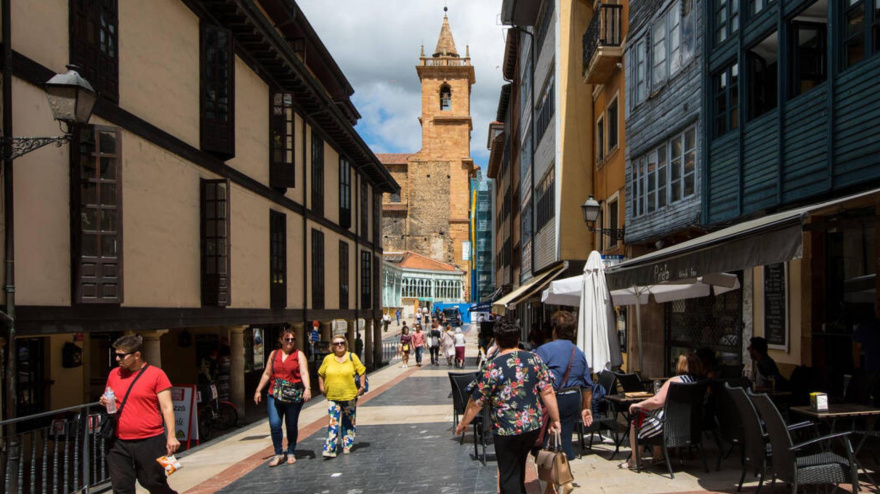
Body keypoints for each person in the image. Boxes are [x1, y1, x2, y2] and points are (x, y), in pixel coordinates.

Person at [456, 320, 561, 494]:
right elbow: (548, 391)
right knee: (518, 465)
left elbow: (476, 401)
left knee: (508, 473)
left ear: (497, 341)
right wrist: (555, 419)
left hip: (506, 429)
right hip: (532, 426)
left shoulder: (493, 366)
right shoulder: (534, 359)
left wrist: (464, 423)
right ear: (518, 338)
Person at [99, 335, 179, 494]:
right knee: (121, 487)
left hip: (149, 440)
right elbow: (110, 397)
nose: (117, 358)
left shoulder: (156, 375)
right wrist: (104, 401)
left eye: (121, 355)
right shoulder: (114, 374)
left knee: (153, 482)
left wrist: (171, 436)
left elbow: (167, 407)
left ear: (136, 355)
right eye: (115, 354)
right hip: (118, 441)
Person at [620, 353, 702, 469]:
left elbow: (657, 401)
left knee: (637, 421)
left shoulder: (675, 381)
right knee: (654, 417)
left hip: (669, 428)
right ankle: (658, 456)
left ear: (680, 365)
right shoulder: (699, 382)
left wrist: (638, 405)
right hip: (691, 427)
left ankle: (635, 460)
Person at [535, 311, 594, 461]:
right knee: (564, 438)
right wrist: (586, 408)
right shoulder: (579, 352)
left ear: (554, 330)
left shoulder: (544, 350)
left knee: (545, 441)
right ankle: (564, 465)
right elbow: (587, 385)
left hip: (550, 399)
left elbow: (533, 376)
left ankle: (552, 470)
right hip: (572, 399)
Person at [254, 328, 311, 466]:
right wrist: (258, 390)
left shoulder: (299, 355)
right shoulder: (274, 354)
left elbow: (304, 372)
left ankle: (291, 451)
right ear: (281, 340)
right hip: (274, 394)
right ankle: (278, 453)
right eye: (287, 339)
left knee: (291, 425)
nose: (290, 342)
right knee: (275, 424)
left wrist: (307, 388)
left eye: (292, 339)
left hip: (293, 396)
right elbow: (267, 373)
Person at [318, 335, 366, 457]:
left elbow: (362, 371)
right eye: (336, 343)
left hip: (349, 396)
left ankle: (347, 445)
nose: (339, 345)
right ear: (332, 346)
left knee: (348, 422)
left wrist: (361, 386)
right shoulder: (328, 359)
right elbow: (321, 373)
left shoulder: (352, 357)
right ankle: (330, 448)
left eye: (342, 343)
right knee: (333, 422)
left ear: (346, 344)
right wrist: (322, 387)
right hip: (332, 396)